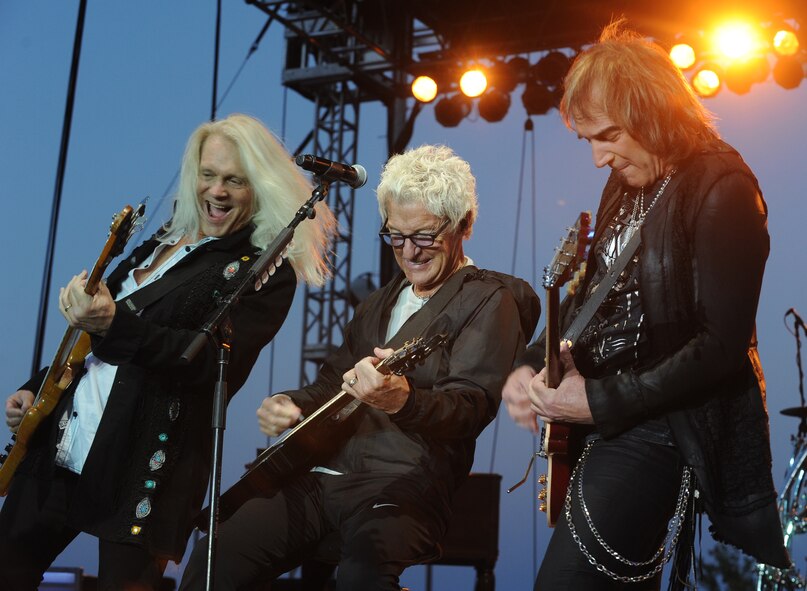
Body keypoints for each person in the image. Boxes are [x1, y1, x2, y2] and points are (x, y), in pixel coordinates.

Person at [501, 20, 790, 590]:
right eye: (588, 140)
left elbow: (720, 348)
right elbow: (588, 296)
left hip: (663, 427)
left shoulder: (723, 187)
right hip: (605, 424)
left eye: (607, 136)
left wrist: (599, 403)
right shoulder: (627, 186)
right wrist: (532, 364)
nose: (597, 159)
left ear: (653, 113)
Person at [179, 144, 541, 590]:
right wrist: (290, 404)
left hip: (404, 486)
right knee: (217, 556)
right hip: (321, 477)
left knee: (361, 577)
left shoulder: (490, 300)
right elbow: (333, 385)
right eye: (395, 235)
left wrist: (402, 401)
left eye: (425, 235)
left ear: (464, 223)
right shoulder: (378, 303)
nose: (409, 251)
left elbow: (469, 408)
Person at [0, 113, 336, 590]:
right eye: (208, 175)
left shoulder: (262, 270)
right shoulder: (159, 242)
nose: (217, 191)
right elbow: (91, 343)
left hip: (142, 468)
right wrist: (34, 391)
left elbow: (203, 362)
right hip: (63, 445)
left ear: (258, 187)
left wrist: (114, 322)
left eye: (234, 181)